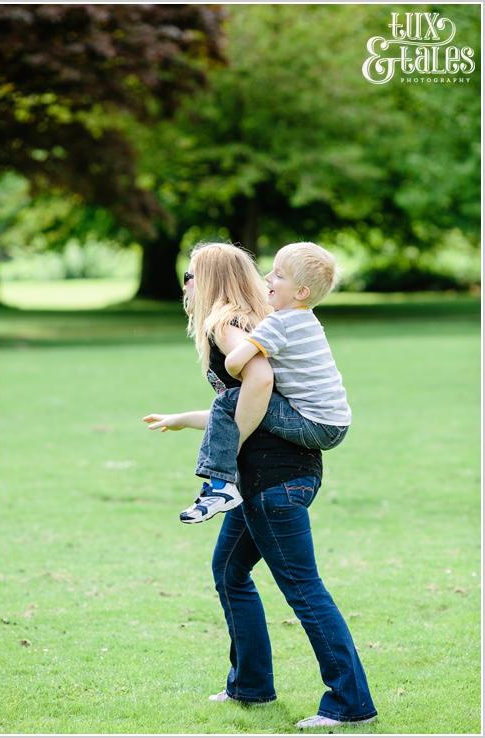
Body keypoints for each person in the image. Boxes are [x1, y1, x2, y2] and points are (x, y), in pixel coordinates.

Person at [143, 242, 377, 729]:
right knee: (229, 571)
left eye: (191, 274)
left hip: (275, 484)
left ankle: (350, 703)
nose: (184, 283)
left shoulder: (226, 322)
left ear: (210, 279)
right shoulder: (255, 321)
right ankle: (250, 687)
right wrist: (184, 420)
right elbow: (245, 407)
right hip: (277, 476)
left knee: (304, 590)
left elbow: (258, 380)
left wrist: (223, 454)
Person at [179, 241, 352, 523]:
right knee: (228, 569)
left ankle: (218, 484)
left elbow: (253, 375)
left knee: (227, 400)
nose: (267, 279)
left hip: (300, 441)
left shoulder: (272, 323)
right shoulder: (304, 320)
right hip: (333, 424)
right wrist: (183, 419)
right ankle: (220, 484)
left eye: (278, 274)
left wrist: (232, 364)